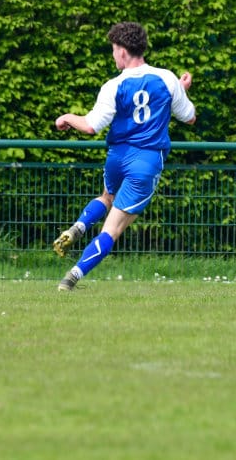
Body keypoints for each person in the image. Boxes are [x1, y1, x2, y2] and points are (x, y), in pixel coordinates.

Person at [52, 22, 195, 291]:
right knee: (112, 230)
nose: (113, 55)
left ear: (123, 51)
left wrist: (67, 117)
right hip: (146, 161)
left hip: (117, 157)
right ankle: (71, 277)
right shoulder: (167, 79)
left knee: (107, 196)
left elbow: (91, 126)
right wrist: (181, 89)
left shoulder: (113, 86)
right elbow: (189, 117)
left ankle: (78, 227)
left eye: (113, 49)